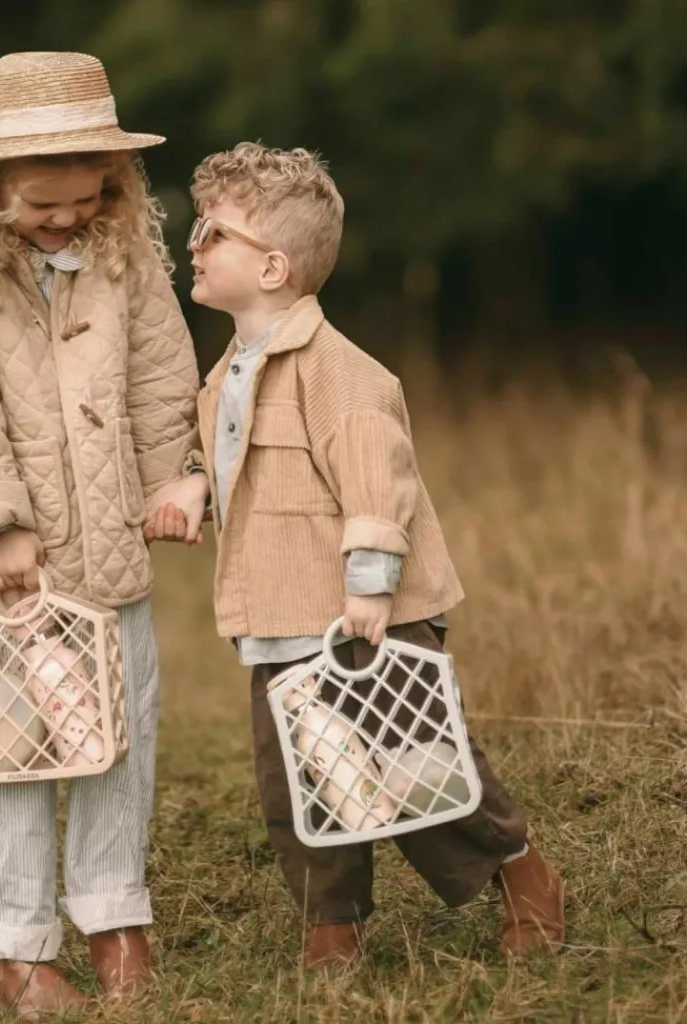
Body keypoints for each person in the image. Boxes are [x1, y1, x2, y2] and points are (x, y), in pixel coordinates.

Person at [145, 142, 565, 970]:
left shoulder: (341, 374)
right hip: (274, 614)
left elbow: (380, 486)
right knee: (299, 782)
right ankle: (331, 925)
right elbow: (216, 451)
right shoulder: (227, 370)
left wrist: (369, 591)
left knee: (417, 765)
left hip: (366, 619)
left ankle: (521, 871)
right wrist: (194, 484)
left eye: (213, 233)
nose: (193, 245)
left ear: (272, 269)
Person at [0, 51, 200, 1015]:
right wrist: (0, 527)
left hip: (109, 544)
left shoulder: (126, 255)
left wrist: (174, 479)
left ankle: (115, 914)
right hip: (7, 563)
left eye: (88, 197)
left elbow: (160, 375)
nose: (68, 218)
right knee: (5, 747)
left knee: (121, 732)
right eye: (42, 205)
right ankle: (16, 945)